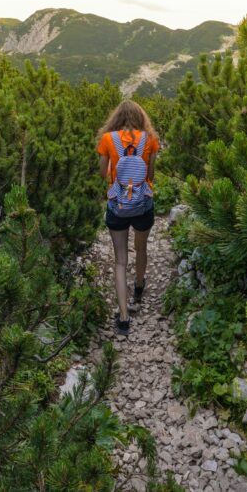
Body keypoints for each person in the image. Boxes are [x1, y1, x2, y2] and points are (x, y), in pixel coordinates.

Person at [96, 100, 160, 336]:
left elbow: (104, 174)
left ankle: (123, 318)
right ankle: (140, 286)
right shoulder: (150, 139)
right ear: (141, 117)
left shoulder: (107, 140)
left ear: (116, 118)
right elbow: (151, 175)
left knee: (120, 259)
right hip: (143, 203)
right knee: (141, 248)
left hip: (117, 205)